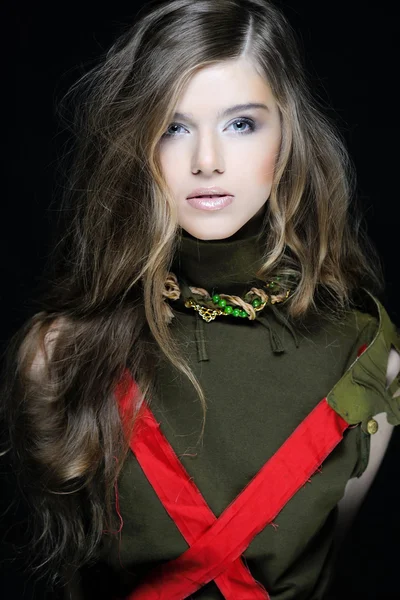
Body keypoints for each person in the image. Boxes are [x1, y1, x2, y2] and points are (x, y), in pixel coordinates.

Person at [1, 0, 400, 598]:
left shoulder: (368, 362)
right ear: (137, 142)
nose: (207, 162)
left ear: (288, 135)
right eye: (173, 127)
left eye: (241, 124)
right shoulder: (59, 354)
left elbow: (321, 572)